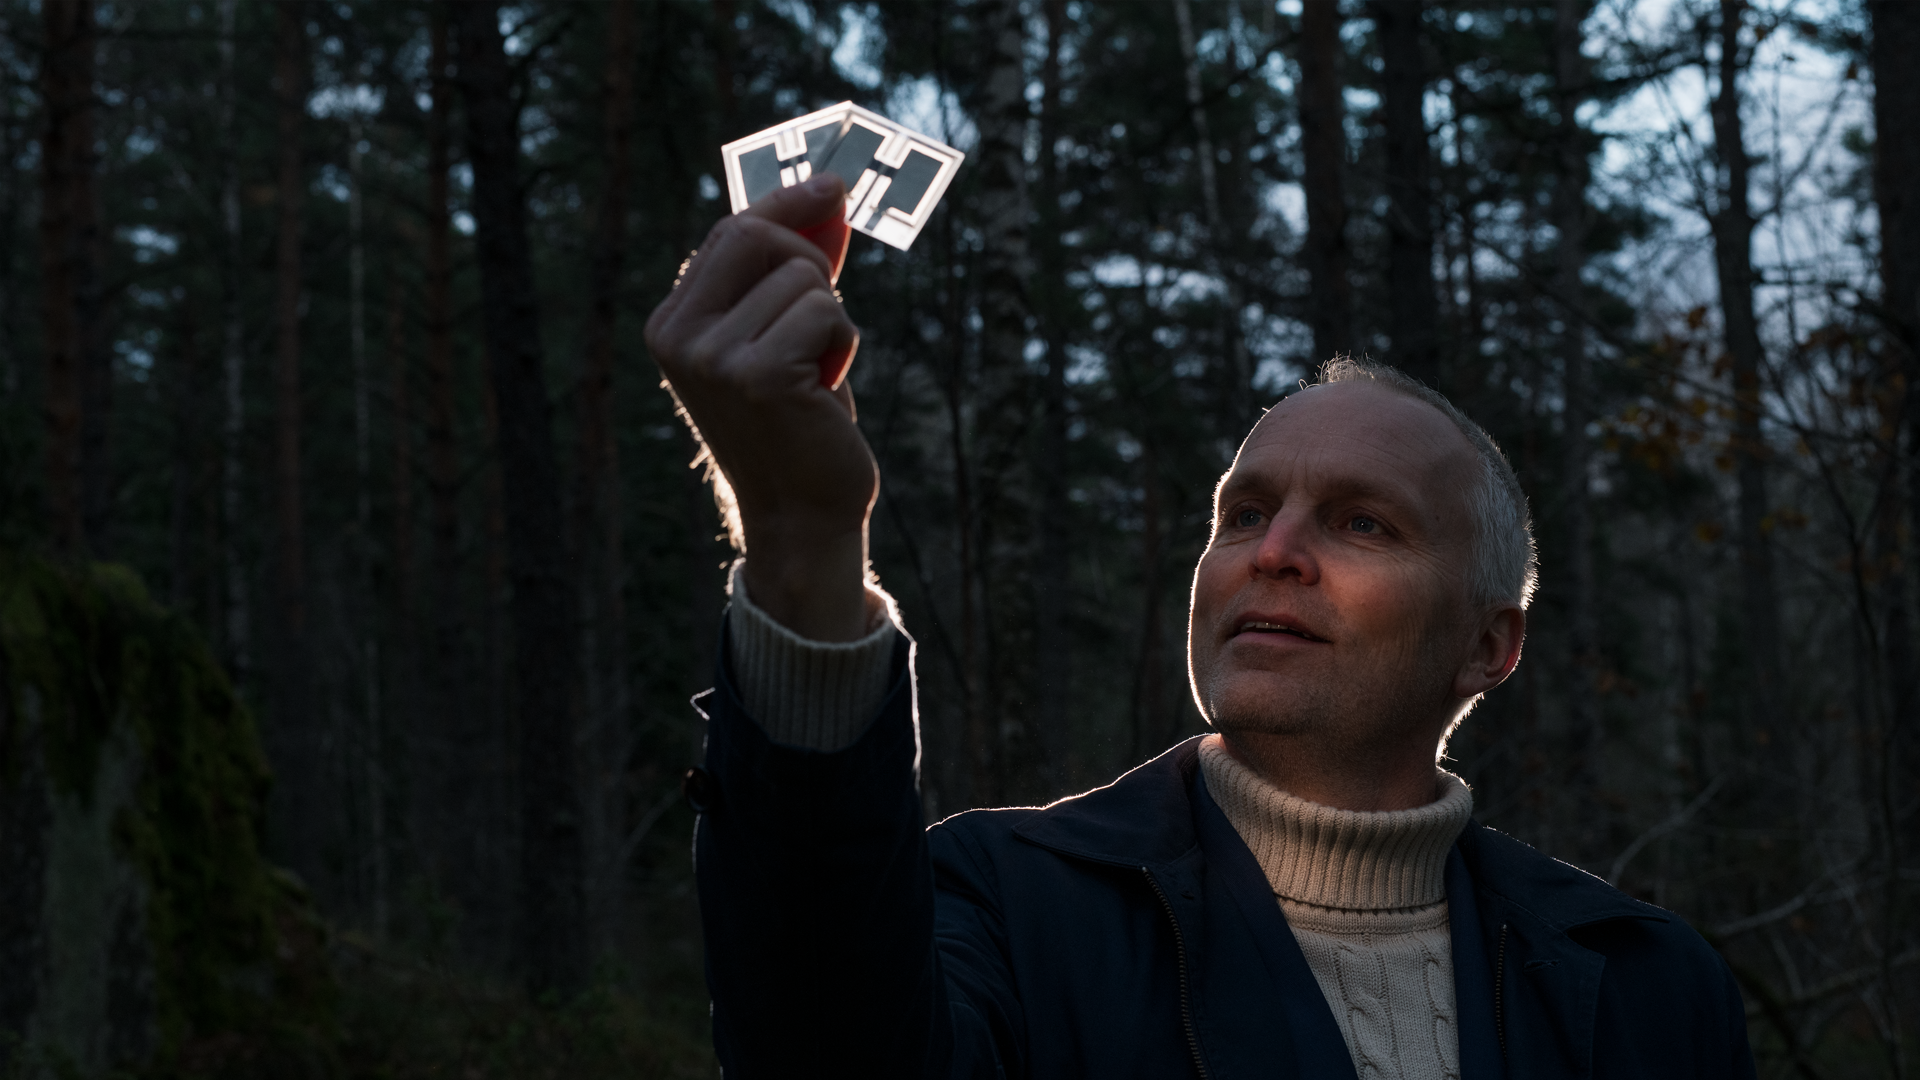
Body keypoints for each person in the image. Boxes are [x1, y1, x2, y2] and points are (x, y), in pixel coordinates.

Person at [645, 175, 1756, 1079]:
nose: (1274, 551)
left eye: (1362, 522)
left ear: (1489, 646)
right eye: (1246, 512)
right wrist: (801, 543)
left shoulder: (1650, 989)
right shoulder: (1002, 904)